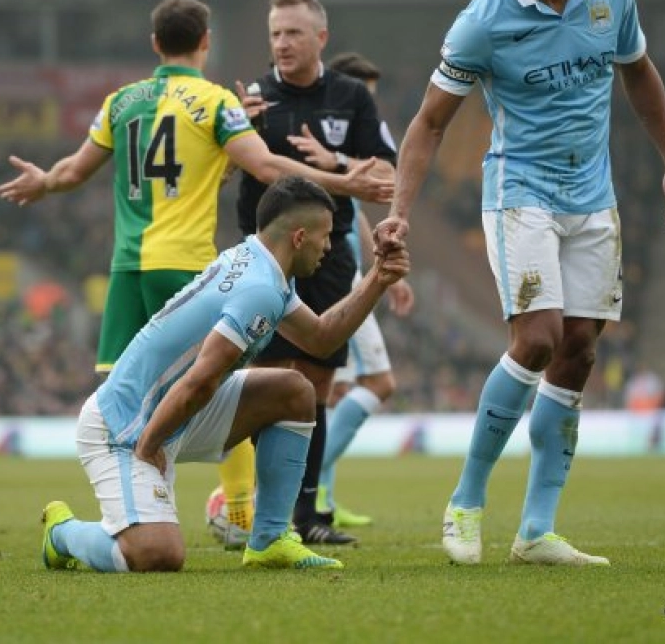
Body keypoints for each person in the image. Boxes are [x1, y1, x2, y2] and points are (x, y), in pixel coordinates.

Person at [375, 0, 665, 567]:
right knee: (539, 338)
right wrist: (399, 213)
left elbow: (639, 72)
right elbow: (430, 124)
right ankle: (465, 499)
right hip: (520, 192)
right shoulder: (485, 20)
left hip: (593, 195)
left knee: (579, 347)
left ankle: (537, 530)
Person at [0, 0, 392, 545]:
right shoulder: (214, 102)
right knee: (212, 375)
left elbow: (72, 171)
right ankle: (237, 512)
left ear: (155, 43)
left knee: (126, 392)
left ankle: (128, 504)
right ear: (205, 42)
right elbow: (266, 166)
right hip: (183, 261)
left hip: (126, 267)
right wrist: (346, 183)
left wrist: (43, 182)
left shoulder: (120, 101)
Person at [39, 176, 410, 573]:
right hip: (123, 428)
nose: (329, 246)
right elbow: (200, 381)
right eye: (325, 236)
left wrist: (377, 279)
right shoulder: (259, 289)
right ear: (300, 237)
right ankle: (62, 533)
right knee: (157, 556)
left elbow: (320, 339)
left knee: (295, 391)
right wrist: (149, 447)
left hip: (175, 413)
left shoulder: (263, 270)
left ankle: (269, 540)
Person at [234, 0, 398, 546]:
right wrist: (242, 130)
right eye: (276, 33)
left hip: (328, 255)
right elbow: (234, 174)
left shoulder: (350, 96)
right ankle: (264, 513)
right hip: (266, 257)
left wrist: (341, 164)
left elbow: (390, 175)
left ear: (320, 38)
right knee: (272, 384)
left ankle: (305, 517)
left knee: (317, 386)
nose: (281, 43)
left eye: (293, 33)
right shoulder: (252, 98)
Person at [285, 52, 415, 528]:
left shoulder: (349, 141)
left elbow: (355, 213)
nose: (368, 109)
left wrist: (382, 271)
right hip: (333, 279)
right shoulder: (320, 139)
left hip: (351, 276)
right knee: (374, 383)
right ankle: (309, 488)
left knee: (331, 393)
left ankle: (320, 497)